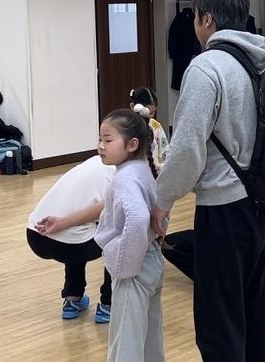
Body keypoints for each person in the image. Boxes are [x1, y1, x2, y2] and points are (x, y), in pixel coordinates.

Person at [151, 0, 265, 361]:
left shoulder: (207, 66)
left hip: (225, 209)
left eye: (195, 16)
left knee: (219, 322)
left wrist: (162, 201)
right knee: (256, 315)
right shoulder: (262, 62)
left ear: (206, 19)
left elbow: (187, 149)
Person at [95, 109, 164, 362]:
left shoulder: (126, 178)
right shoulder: (142, 170)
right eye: (100, 139)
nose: (101, 146)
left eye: (108, 140)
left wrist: (124, 264)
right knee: (149, 340)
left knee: (125, 344)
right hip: (151, 260)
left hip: (134, 267)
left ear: (132, 144)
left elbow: (138, 218)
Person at [27, 155, 115, 323]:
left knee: (79, 229)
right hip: (69, 243)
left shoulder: (92, 162)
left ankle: (72, 297)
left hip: (34, 233)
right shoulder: (123, 171)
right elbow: (105, 208)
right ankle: (108, 304)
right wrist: (62, 224)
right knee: (117, 234)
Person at [130, 87, 169, 170]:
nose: (149, 116)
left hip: (154, 171)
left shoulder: (156, 126)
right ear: (132, 106)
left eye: (152, 113)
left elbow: (164, 152)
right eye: (146, 112)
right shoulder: (126, 126)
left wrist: (162, 166)